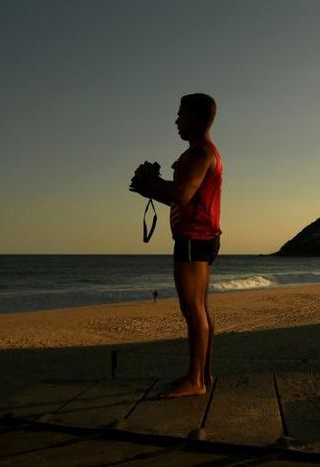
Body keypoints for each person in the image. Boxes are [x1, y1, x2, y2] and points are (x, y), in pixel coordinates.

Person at [130, 93, 222, 398]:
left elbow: (181, 194)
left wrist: (149, 183)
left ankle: (195, 380)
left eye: (181, 115)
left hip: (195, 237)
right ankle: (203, 375)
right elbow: (180, 196)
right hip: (198, 235)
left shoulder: (201, 154)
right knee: (200, 309)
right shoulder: (198, 153)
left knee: (192, 309)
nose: (176, 121)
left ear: (196, 119)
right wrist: (150, 187)